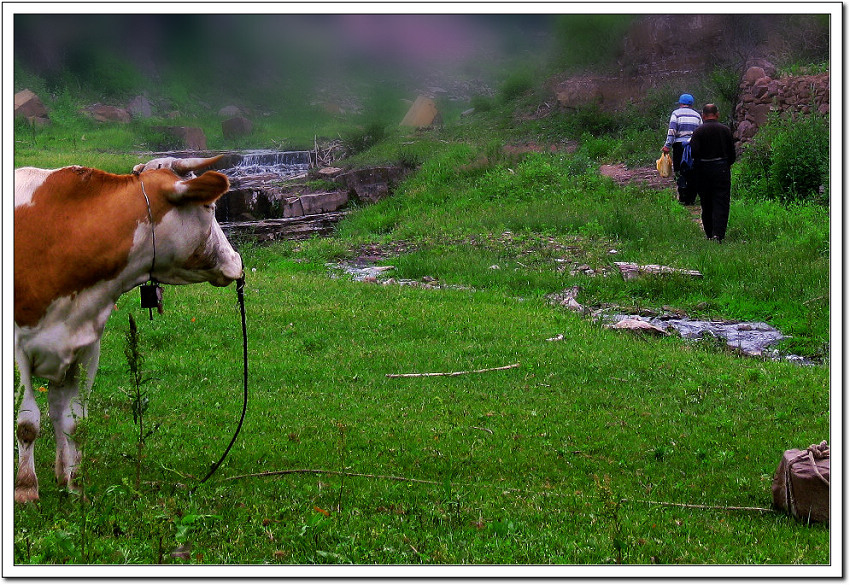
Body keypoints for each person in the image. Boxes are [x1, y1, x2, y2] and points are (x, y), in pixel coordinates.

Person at [689, 103, 736, 243]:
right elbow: (732, 154)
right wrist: (726, 165)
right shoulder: (725, 130)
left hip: (703, 169)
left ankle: (709, 233)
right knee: (721, 201)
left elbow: (694, 153)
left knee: (706, 202)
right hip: (721, 168)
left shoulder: (698, 132)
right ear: (717, 114)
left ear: (703, 116)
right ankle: (719, 234)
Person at [661, 93, 702, 204]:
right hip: (693, 146)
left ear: (680, 103)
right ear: (691, 104)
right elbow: (700, 132)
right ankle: (691, 198)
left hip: (679, 146)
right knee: (692, 170)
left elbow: (672, 131)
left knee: (680, 170)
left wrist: (667, 146)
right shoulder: (697, 115)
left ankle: (683, 196)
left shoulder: (676, 114)